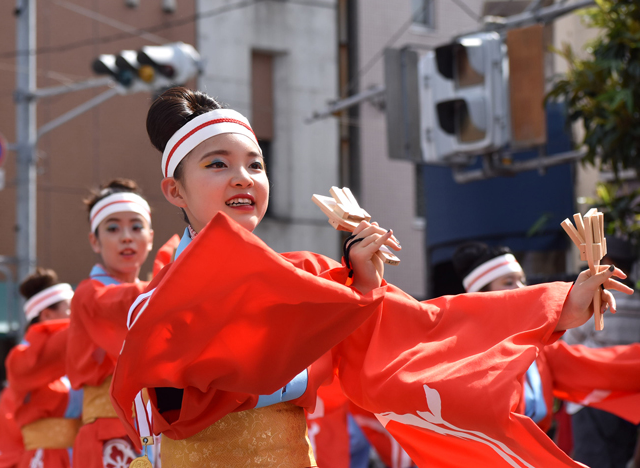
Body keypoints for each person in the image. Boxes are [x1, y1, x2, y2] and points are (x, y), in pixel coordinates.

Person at [110, 87, 630, 468]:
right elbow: (175, 409)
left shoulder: (310, 278)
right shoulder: (156, 304)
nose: (243, 177)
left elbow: (426, 328)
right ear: (174, 192)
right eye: (217, 165)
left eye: (256, 164)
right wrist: (340, 307)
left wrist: (561, 302)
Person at [453, 242, 640, 459]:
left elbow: (608, 366)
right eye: (508, 282)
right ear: (480, 295)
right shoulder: (464, 354)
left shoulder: (539, 351)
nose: (521, 288)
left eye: (522, 280)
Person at [66, 179, 176, 468]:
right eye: (113, 228)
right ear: (94, 240)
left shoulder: (153, 290)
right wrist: (183, 277)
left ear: (151, 237)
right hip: (109, 434)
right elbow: (124, 304)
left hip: (154, 429)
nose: (127, 237)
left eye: (136, 227)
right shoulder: (90, 294)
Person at [563, 236, 640, 468]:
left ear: (605, 262)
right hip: (629, 400)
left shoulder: (596, 302)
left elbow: (569, 343)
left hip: (592, 399)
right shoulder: (638, 306)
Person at [5, 268, 80, 468]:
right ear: (46, 315)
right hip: (46, 460)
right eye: (71, 310)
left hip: (81, 456)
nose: (78, 317)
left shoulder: (73, 359)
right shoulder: (20, 358)